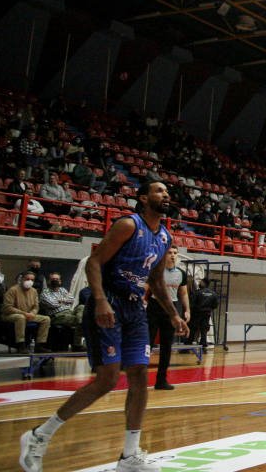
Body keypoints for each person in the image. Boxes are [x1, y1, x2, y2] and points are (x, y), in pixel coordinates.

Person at [19, 180, 187, 472]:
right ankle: (38, 436)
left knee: (139, 376)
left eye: (168, 193)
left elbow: (157, 281)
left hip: (135, 307)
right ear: (144, 198)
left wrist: (172, 314)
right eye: (160, 191)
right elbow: (94, 263)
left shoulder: (164, 237)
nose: (166, 195)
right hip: (109, 301)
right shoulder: (127, 225)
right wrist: (99, 301)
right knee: (108, 379)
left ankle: (130, 456)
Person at [147, 246, 189, 390]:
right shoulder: (156, 271)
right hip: (154, 306)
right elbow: (145, 287)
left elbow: (183, 293)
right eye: (170, 253)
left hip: (171, 309)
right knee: (148, 342)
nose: (172, 255)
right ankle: (138, 378)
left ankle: (161, 380)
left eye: (175, 253)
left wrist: (187, 310)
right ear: (164, 255)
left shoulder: (181, 273)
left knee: (167, 346)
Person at [2, 272, 52, 354]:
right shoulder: (13, 290)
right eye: (27, 279)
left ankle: (39, 344)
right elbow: (7, 308)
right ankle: (20, 344)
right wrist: (25, 314)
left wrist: (32, 314)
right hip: (9, 315)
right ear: (22, 280)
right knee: (20, 317)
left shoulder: (34, 291)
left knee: (46, 319)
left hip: (28, 315)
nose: (30, 281)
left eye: (32, 280)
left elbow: (36, 306)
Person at [39, 273, 84, 351]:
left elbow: (72, 299)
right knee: (79, 320)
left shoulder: (63, 290)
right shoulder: (45, 292)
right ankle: (77, 344)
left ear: (60, 281)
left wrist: (61, 300)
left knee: (82, 307)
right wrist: (65, 300)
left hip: (69, 312)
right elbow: (52, 304)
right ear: (49, 281)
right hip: (56, 316)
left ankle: (82, 323)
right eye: (53, 279)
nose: (55, 281)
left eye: (57, 279)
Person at [187, 279, 219, 347]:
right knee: (204, 330)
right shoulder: (213, 293)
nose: (200, 282)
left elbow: (191, 304)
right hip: (207, 314)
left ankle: (188, 346)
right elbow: (215, 305)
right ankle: (203, 346)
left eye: (201, 281)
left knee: (192, 329)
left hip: (196, 313)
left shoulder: (198, 292)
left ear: (204, 283)